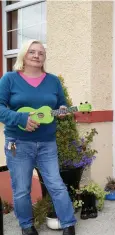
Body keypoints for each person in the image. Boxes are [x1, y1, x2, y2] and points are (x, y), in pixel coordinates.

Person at [0, 40, 76, 235]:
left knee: (56, 184)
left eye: (41, 53)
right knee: (22, 189)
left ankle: (68, 223)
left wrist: (63, 110)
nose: (36, 55)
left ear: (44, 57)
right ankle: (26, 226)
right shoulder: (9, 79)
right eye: (32, 52)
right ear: (23, 55)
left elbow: (61, 104)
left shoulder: (53, 81)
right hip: (17, 143)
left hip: (47, 143)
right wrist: (21, 118)